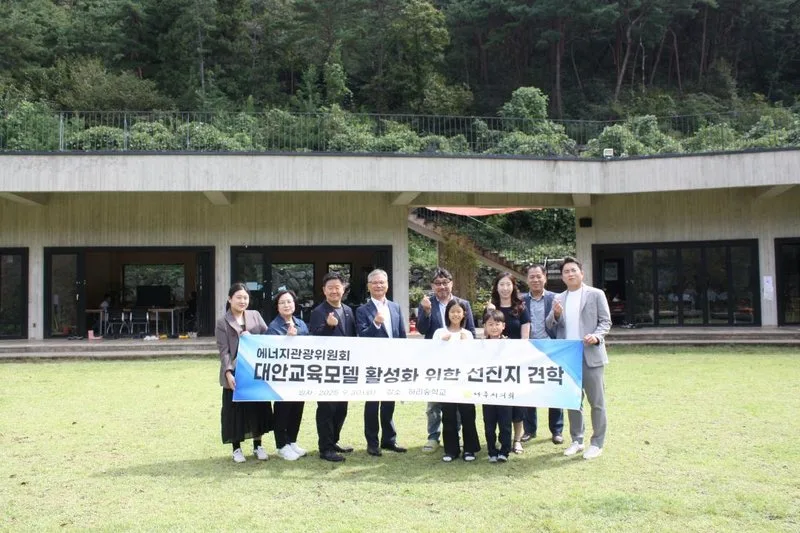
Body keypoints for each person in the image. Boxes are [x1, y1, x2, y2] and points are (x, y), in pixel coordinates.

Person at [546, 257, 612, 460]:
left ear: (581, 273)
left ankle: (597, 443)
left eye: (573, 270)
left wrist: (596, 336)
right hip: (569, 357)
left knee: (597, 402)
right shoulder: (559, 298)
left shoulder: (596, 294)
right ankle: (577, 440)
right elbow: (550, 326)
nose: (570, 274)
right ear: (563, 276)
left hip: (591, 355)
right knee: (573, 401)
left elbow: (605, 322)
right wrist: (556, 315)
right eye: (566, 271)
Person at [416, 267, 476, 452]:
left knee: (456, 402)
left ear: (451, 283)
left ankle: (454, 435)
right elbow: (422, 330)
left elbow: (472, 331)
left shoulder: (462, 303)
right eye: (437, 284)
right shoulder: (427, 303)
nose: (442, 286)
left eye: (445, 282)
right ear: (432, 286)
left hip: (458, 363)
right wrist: (426, 312)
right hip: (435, 363)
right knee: (433, 402)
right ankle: (433, 436)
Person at [215, 282, 273, 463]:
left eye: (245, 297)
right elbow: (223, 351)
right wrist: (228, 373)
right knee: (235, 412)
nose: (242, 301)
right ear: (230, 299)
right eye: (238, 297)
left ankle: (258, 445)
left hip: (255, 372)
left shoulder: (255, 315)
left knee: (257, 408)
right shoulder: (222, 322)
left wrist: (253, 338)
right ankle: (236, 448)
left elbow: (269, 338)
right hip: (236, 372)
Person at [355, 269, 408, 457]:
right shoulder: (362, 310)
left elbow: (401, 334)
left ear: (387, 284)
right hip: (372, 364)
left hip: (392, 363)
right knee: (372, 404)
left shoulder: (395, 307)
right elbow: (362, 336)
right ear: (369, 286)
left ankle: (389, 440)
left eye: (382, 282)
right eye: (375, 283)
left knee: (388, 402)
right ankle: (372, 442)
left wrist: (403, 358)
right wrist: (375, 324)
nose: (379, 285)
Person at [309, 272, 356, 462]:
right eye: (330, 288)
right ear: (324, 291)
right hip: (327, 370)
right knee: (327, 408)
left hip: (345, 369)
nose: (334, 291)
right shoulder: (318, 312)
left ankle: (334, 440)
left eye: (337, 287)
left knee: (341, 408)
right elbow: (313, 338)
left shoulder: (348, 310)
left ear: (343, 289)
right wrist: (328, 326)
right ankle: (325, 448)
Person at [485, 272, 530, 454]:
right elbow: (485, 335)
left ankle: (517, 440)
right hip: (493, 366)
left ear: (513, 287)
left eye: (508, 284)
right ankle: (496, 440)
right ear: (496, 287)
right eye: (501, 284)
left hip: (515, 362)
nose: (505, 288)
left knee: (517, 404)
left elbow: (525, 337)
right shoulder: (490, 308)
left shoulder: (521, 308)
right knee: (495, 405)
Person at [521, 264, 565, 445]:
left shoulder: (556, 298)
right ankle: (529, 429)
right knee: (529, 390)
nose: (535, 280)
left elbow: (563, 323)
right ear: (527, 279)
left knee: (554, 389)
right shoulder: (522, 300)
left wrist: (556, 313)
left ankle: (556, 430)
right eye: (532, 277)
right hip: (529, 350)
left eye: (538, 276)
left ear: (545, 277)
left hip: (552, 349)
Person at [433, 299, 480, 462]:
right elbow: (431, 356)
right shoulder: (440, 333)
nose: (455, 314)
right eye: (452, 311)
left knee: (468, 414)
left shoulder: (467, 334)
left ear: (464, 314)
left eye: (459, 311)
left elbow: (474, 358)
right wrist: (441, 343)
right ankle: (451, 450)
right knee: (448, 415)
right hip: (446, 381)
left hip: (465, 380)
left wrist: (466, 344)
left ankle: (469, 449)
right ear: (448, 313)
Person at [266, 289, 310, 461]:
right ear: (277, 307)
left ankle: (292, 441)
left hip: (299, 376)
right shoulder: (273, 327)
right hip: (282, 378)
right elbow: (271, 352)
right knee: (283, 411)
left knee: (297, 409)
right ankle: (281, 445)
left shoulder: (301, 324)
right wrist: (287, 338)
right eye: (282, 302)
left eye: (289, 301)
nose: (286, 305)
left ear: (294, 304)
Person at [481, 309, 513, 463]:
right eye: (490, 324)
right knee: (489, 424)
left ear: (503, 326)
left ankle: (505, 451)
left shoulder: (510, 344)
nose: (494, 327)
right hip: (487, 392)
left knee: (505, 423)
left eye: (497, 324)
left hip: (505, 391)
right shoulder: (479, 346)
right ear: (485, 327)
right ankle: (491, 451)